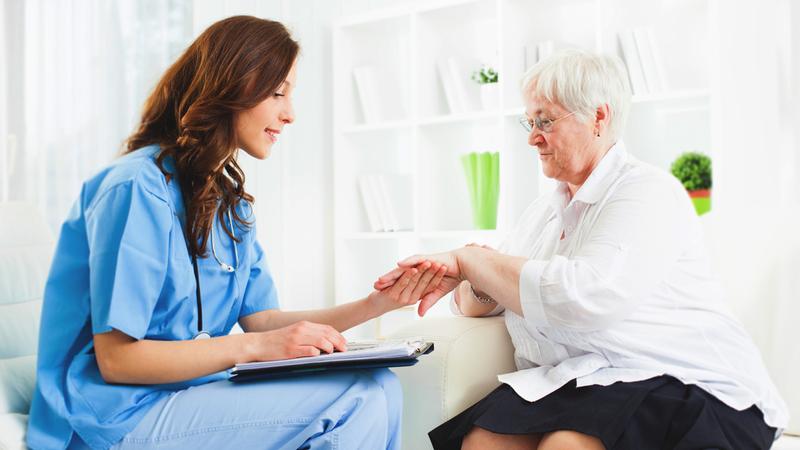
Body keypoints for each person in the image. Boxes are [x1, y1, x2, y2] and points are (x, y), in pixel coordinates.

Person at [26, 16, 447, 450]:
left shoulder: (228, 201)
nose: (290, 113)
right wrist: (258, 347)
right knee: (355, 398)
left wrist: (376, 304)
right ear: (232, 85)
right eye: (278, 92)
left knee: (378, 385)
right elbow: (116, 360)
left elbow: (262, 320)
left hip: (189, 394)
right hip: (115, 415)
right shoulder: (137, 189)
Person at [375, 49, 789, 450]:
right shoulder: (544, 211)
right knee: (485, 439)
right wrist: (475, 280)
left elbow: (586, 297)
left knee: (567, 444)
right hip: (583, 381)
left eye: (546, 120)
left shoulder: (647, 192)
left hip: (680, 379)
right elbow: (482, 299)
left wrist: (477, 262)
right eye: (529, 122)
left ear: (598, 116)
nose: (533, 137)